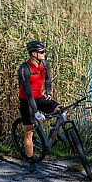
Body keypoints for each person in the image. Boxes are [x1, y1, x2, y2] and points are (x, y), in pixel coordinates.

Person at [18, 40, 61, 173]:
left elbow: (48, 79)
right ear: (33, 53)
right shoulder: (24, 69)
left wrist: (48, 92)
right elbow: (28, 93)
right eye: (41, 52)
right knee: (29, 132)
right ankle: (31, 161)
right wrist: (36, 112)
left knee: (62, 110)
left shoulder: (44, 64)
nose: (44, 53)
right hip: (27, 101)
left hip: (40, 98)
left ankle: (54, 129)